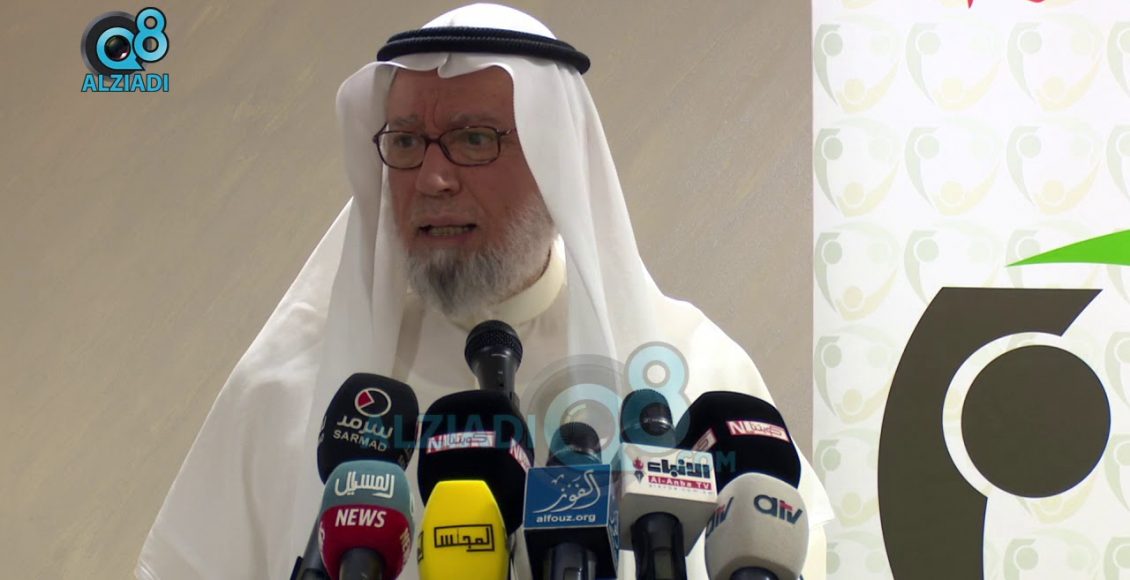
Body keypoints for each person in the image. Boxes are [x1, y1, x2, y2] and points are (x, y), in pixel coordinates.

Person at [136, 4, 833, 579]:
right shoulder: (292, 390)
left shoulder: (694, 374)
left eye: (473, 139)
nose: (432, 178)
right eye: (406, 141)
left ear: (556, 161)